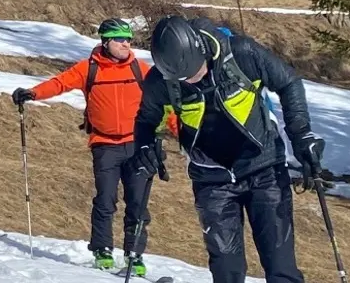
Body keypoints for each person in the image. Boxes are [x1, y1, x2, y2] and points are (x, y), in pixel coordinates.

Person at [133, 16, 325, 283]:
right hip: (211, 179)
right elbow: (146, 119)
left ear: (202, 50)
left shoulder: (241, 53)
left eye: (194, 72)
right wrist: (143, 146)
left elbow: (288, 82)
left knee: (280, 265)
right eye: (183, 78)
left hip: (264, 167)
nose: (191, 80)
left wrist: (301, 135)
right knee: (226, 270)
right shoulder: (161, 80)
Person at [12, 18, 160, 276]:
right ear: (105, 42)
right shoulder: (88, 69)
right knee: (105, 199)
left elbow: (162, 100)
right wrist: (33, 93)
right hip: (104, 145)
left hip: (137, 146)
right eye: (120, 39)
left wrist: (182, 134)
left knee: (137, 202)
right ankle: (102, 250)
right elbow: (60, 83)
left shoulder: (141, 69)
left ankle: (134, 254)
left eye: (128, 39)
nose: (127, 44)